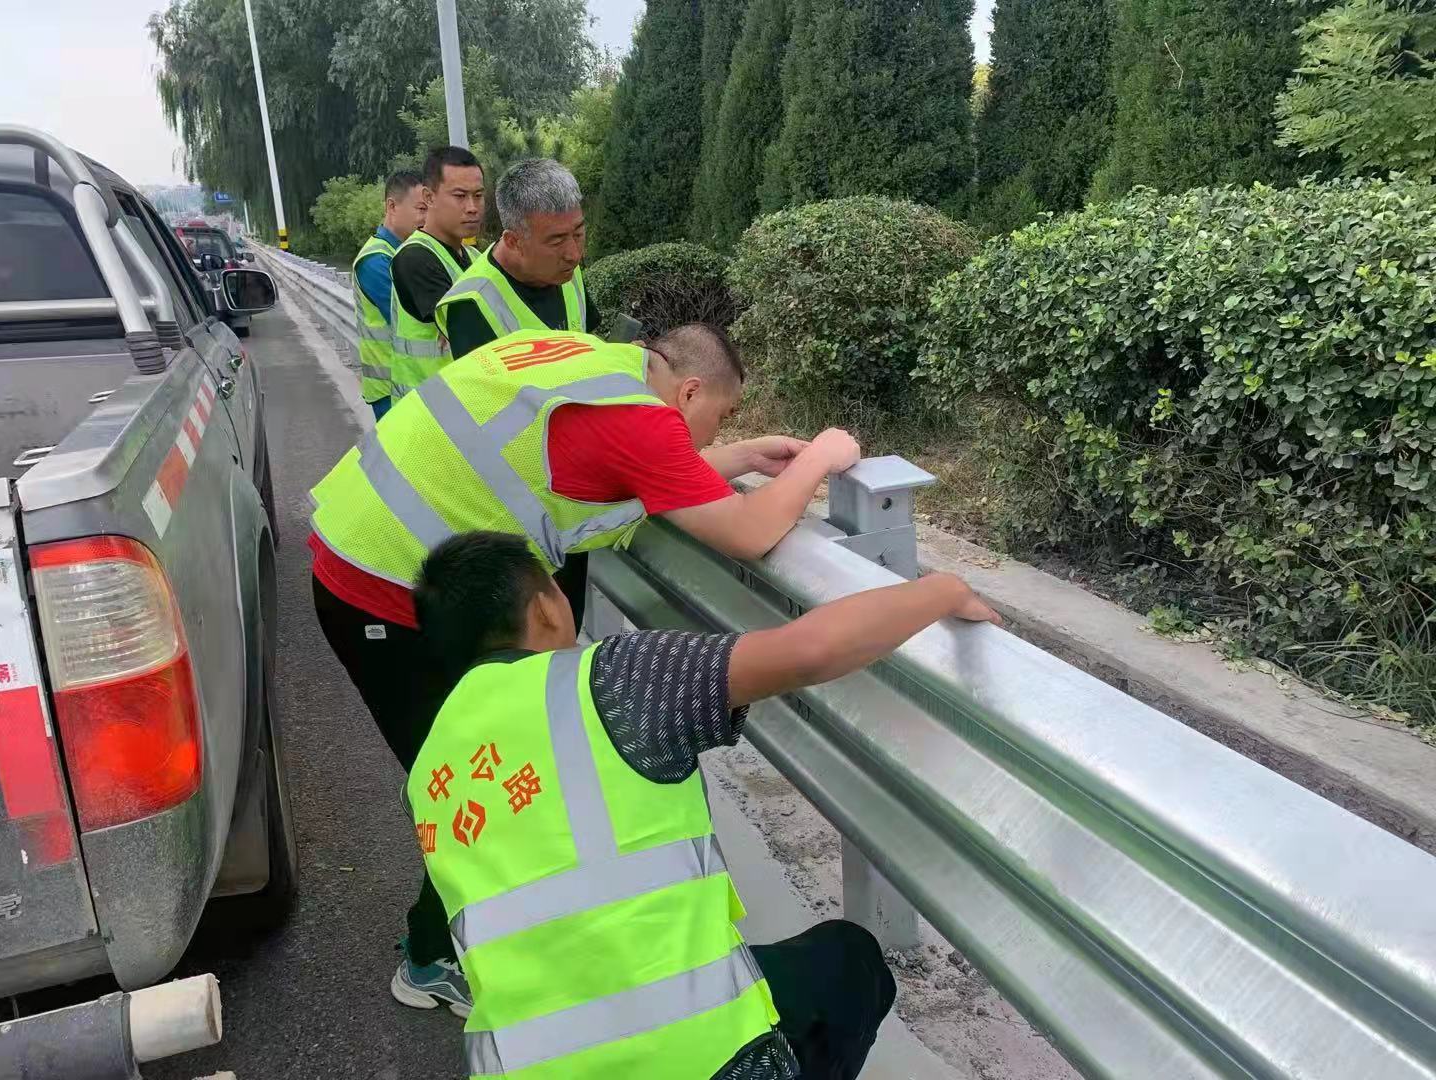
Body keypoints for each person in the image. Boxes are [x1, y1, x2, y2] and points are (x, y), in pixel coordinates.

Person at [308, 324, 860, 1014]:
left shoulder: (596, 366)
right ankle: (433, 959)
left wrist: (738, 455)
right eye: (722, 416)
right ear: (689, 391)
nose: (715, 431)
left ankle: (478, 941)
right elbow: (749, 530)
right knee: (479, 786)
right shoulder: (640, 422)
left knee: (495, 776)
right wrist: (823, 456)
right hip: (380, 589)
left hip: (370, 545)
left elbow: (622, 466)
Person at [405, 530, 1003, 1078]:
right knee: (851, 964)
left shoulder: (430, 769)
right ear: (546, 608)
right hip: (701, 1061)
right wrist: (941, 590)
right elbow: (810, 650)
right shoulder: (609, 678)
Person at [434, 158, 598, 359]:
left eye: (578, 233)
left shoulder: (565, 268)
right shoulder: (471, 306)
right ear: (513, 241)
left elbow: (589, 341)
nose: (574, 254)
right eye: (556, 241)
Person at [388, 146, 485, 400]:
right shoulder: (414, 258)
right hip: (426, 410)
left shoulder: (475, 257)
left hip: (465, 404)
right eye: (460, 196)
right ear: (429, 198)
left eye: (478, 195)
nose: (472, 207)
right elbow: (476, 330)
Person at [352, 171, 427, 419]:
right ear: (392, 206)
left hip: (412, 383)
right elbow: (413, 320)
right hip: (391, 390)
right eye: (421, 209)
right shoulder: (376, 260)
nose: (427, 218)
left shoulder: (409, 252)